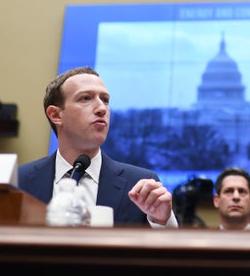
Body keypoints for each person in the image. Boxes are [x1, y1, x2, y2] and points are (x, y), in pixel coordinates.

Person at [17, 66, 178, 228]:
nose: (102, 109)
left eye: (105, 100)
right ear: (56, 115)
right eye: (85, 98)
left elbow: (168, 250)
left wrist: (162, 220)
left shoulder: (139, 185)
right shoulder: (19, 182)